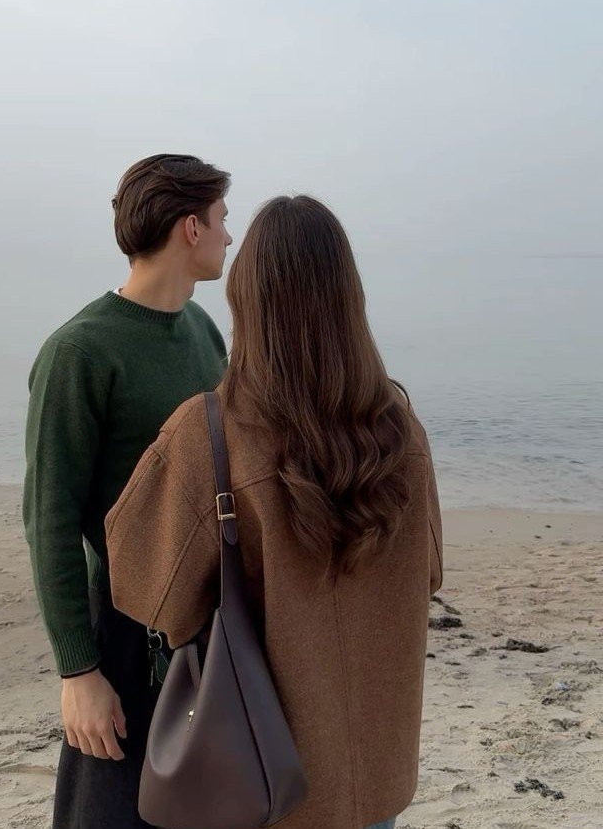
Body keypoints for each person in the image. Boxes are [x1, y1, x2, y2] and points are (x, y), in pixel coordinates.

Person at [105, 195, 443, 829]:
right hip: (377, 771)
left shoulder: (210, 432)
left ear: (246, 300)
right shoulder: (399, 426)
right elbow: (427, 570)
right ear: (351, 296)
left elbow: (148, 590)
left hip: (265, 774)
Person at [22, 153, 232, 829]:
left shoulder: (203, 330)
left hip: (209, 624)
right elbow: (49, 519)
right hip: (122, 627)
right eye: (223, 219)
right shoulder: (80, 351)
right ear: (189, 228)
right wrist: (78, 672)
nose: (230, 236)